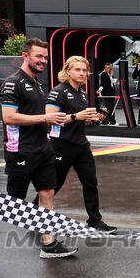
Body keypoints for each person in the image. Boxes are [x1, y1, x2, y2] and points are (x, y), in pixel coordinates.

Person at [0, 38, 71, 259]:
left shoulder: (36, 83)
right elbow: (9, 117)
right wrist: (45, 117)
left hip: (42, 148)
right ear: (25, 56)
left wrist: (49, 124)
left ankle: (49, 242)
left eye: (45, 57)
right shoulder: (13, 82)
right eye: (39, 56)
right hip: (21, 151)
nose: (43, 60)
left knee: (47, 192)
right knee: (14, 200)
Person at [46, 56, 118, 234]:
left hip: (81, 145)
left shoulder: (83, 93)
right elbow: (50, 119)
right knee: (53, 185)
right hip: (61, 145)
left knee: (90, 182)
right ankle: (34, 215)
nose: (82, 73)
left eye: (84, 70)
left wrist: (92, 118)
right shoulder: (58, 91)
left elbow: (79, 119)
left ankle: (95, 220)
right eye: (78, 70)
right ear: (67, 71)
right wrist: (77, 117)